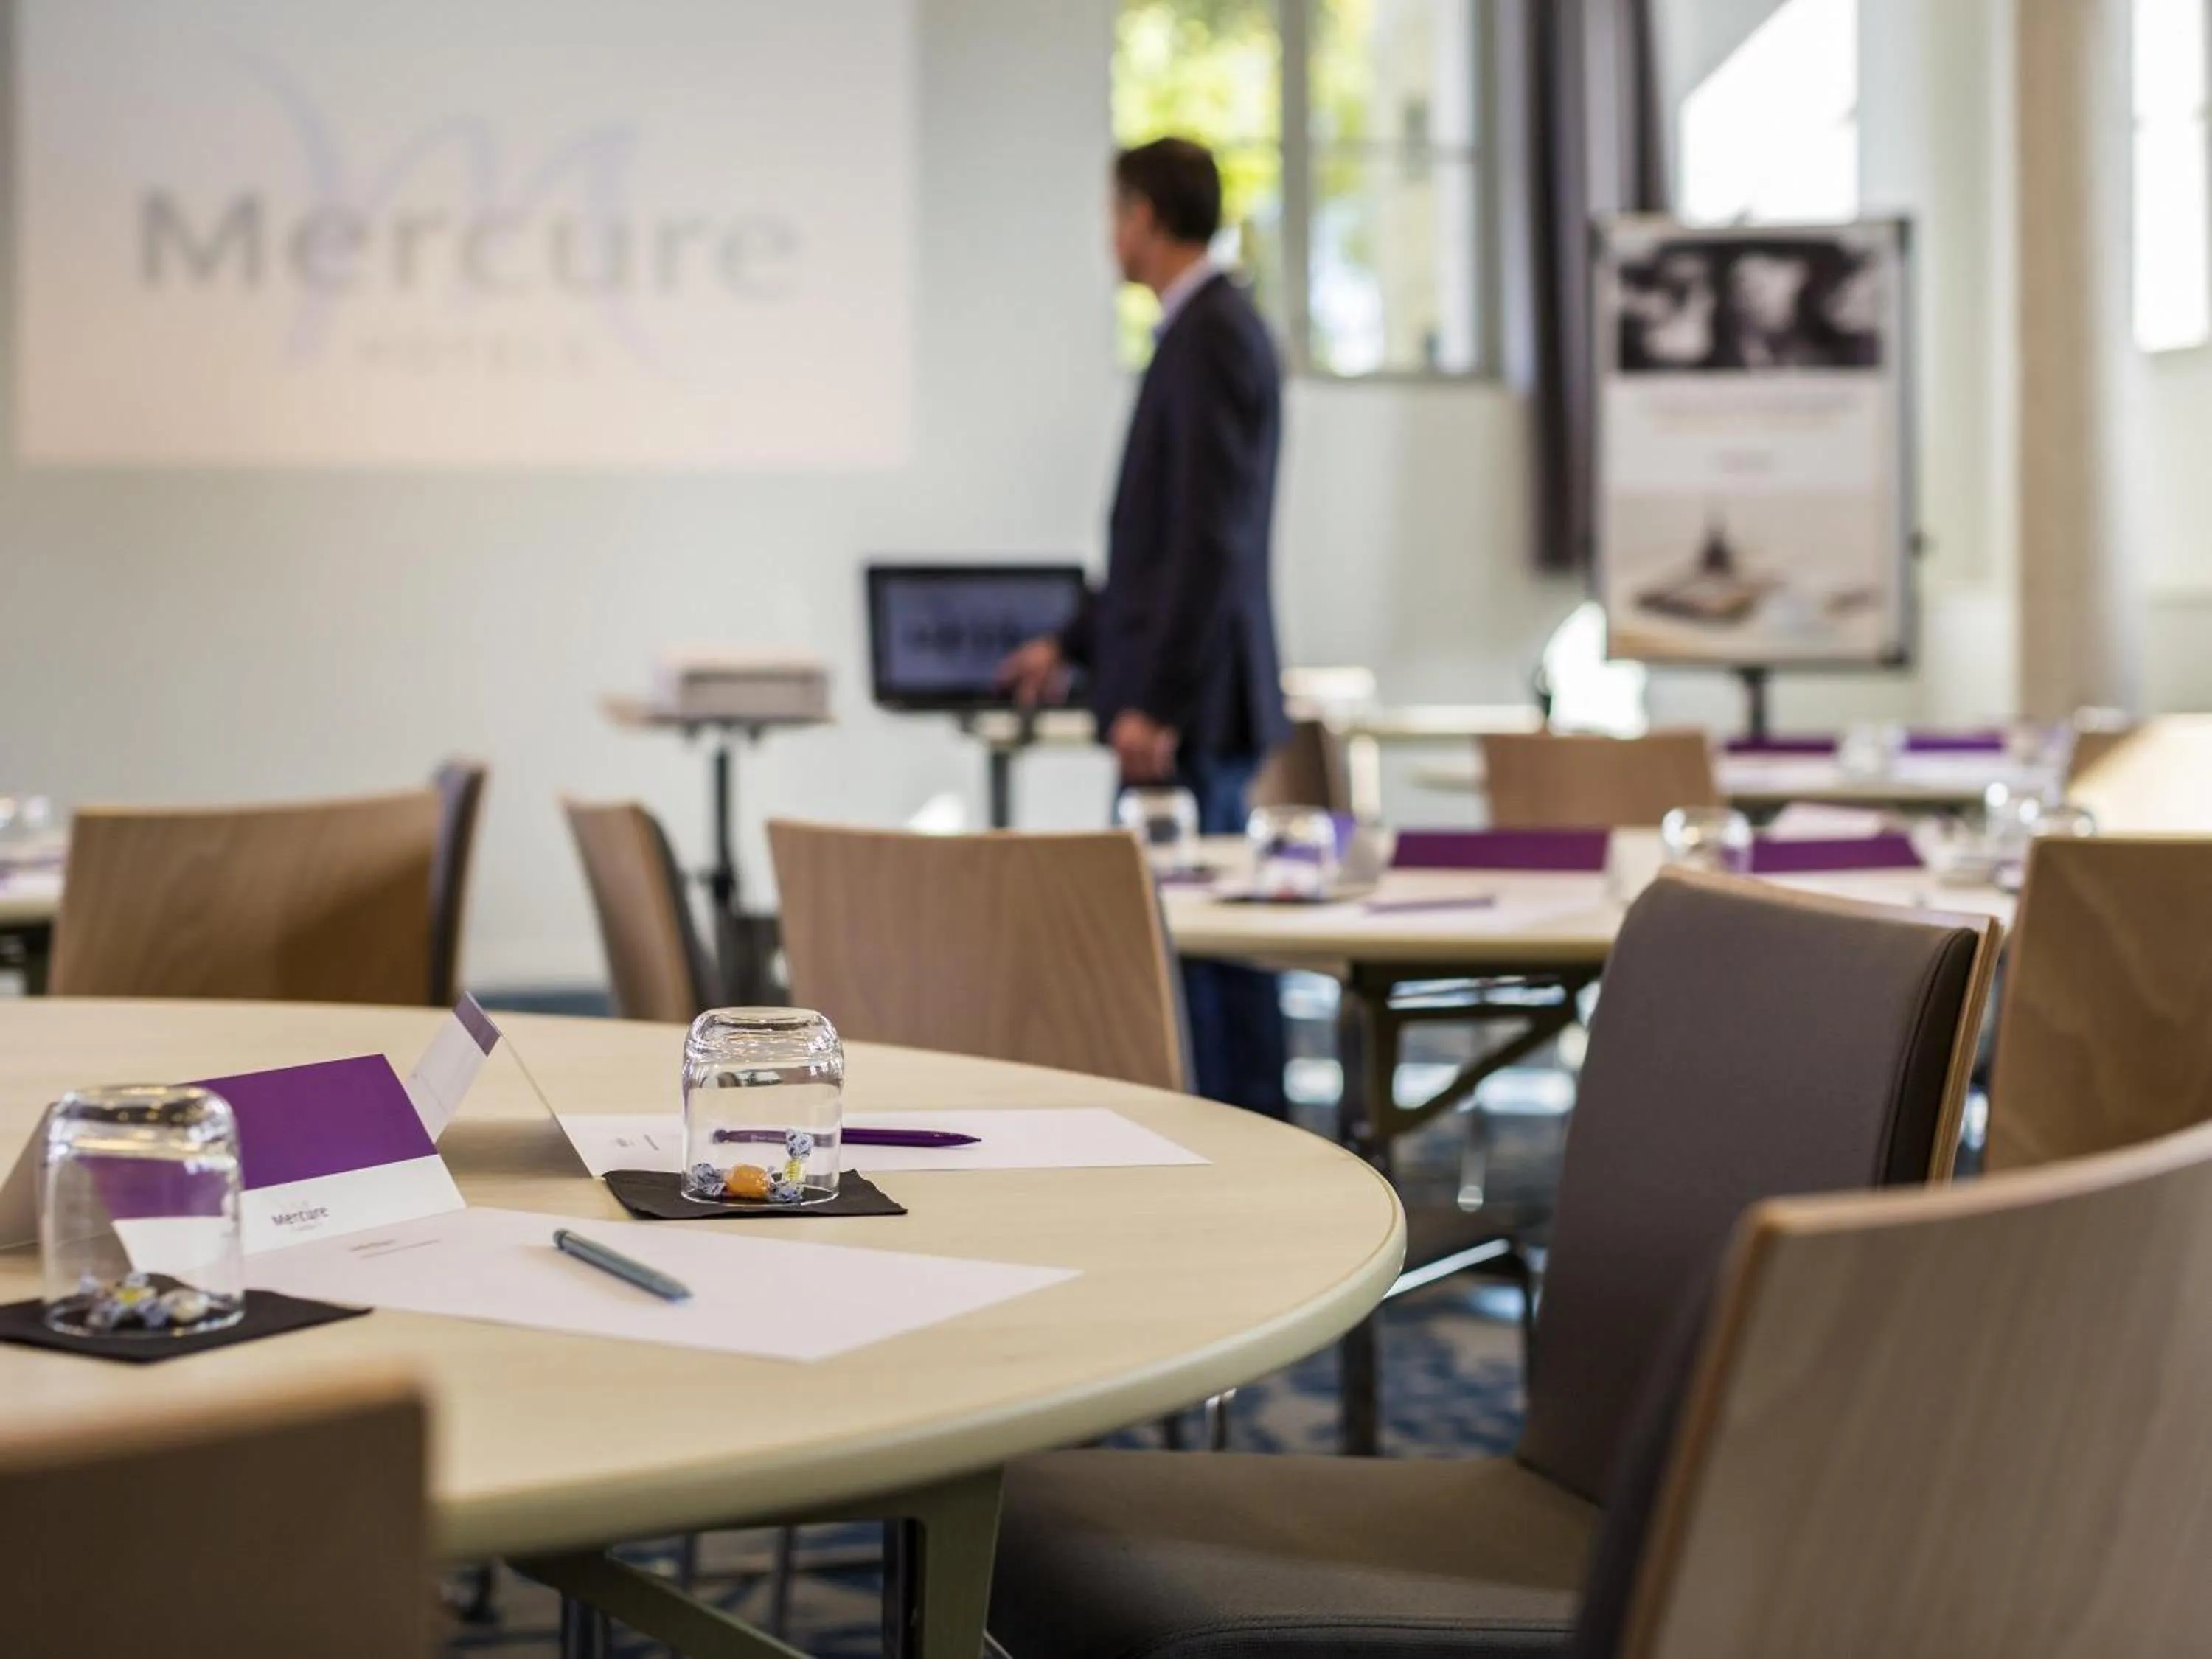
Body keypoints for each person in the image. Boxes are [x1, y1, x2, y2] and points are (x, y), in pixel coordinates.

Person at [998, 136, 1290, 1119]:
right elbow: (1158, 544)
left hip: (1191, 711)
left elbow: (1209, 542)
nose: (1108, 234)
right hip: (1188, 698)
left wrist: (1155, 698)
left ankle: (1252, 1172)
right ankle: (1242, 1159)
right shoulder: (1200, 328)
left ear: (1145, 218)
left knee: (1209, 960)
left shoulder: (1211, 334)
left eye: (1114, 212)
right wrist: (1072, 643)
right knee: (1197, 956)